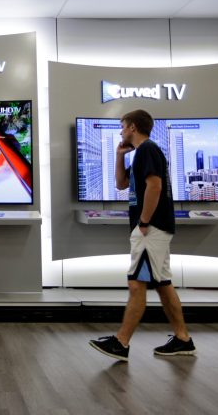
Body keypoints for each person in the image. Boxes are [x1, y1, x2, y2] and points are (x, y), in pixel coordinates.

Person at [89, 109, 196, 361]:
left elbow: (155, 185)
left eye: (123, 126)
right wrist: (118, 156)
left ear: (134, 127)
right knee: (162, 285)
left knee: (136, 284)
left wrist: (144, 221)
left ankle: (121, 342)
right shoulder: (142, 153)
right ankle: (182, 338)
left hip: (151, 229)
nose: (120, 131)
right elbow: (121, 184)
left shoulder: (148, 149)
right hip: (154, 229)